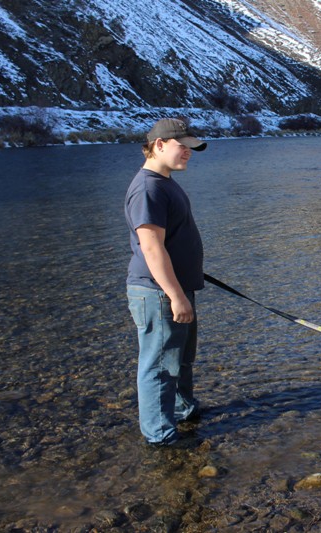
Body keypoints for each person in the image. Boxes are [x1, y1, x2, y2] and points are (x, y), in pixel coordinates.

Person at [124, 118, 207, 446]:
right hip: (159, 294)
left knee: (181, 359)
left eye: (190, 147)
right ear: (158, 145)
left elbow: (170, 239)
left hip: (175, 290)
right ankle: (160, 437)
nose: (188, 152)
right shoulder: (148, 188)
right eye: (182, 146)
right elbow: (151, 247)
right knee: (159, 366)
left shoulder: (164, 181)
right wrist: (175, 295)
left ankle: (183, 411)